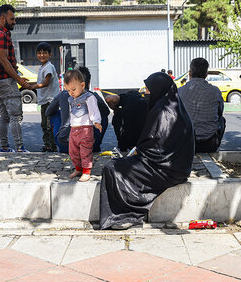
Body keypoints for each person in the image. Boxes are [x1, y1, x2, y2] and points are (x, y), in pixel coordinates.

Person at [100, 72, 194, 230]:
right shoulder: (176, 107)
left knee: (112, 167)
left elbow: (155, 149)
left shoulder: (163, 112)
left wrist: (138, 154)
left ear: (159, 90)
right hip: (179, 168)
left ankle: (123, 215)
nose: (146, 94)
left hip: (166, 169)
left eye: (149, 90)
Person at [0, 4, 30, 152]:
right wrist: (18, 78)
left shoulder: (0, 34)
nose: (14, 22)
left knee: (5, 116)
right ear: (2, 18)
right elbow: (4, 60)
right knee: (15, 115)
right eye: (12, 19)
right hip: (6, 80)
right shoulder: (1, 35)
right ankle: (20, 148)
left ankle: (5, 147)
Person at [178, 58, 225, 153]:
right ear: (206, 74)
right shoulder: (215, 91)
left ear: (190, 73)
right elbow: (220, 111)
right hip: (209, 143)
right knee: (222, 120)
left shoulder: (180, 91)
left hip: (186, 143)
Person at [64, 70, 102, 182]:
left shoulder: (89, 97)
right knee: (73, 151)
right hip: (74, 130)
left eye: (73, 89)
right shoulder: (71, 99)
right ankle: (78, 169)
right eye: (68, 90)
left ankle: (86, 171)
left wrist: (96, 121)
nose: (71, 93)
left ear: (82, 85)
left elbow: (94, 111)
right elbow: (72, 113)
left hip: (85, 129)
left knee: (85, 151)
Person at [29, 42, 59, 152]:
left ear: (50, 55)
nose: (42, 55)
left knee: (49, 125)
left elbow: (45, 83)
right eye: (39, 53)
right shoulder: (43, 67)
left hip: (50, 101)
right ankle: (47, 145)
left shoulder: (48, 67)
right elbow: (41, 81)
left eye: (44, 53)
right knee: (44, 124)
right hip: (45, 101)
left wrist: (32, 87)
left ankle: (53, 146)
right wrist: (31, 83)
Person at [78, 67, 110, 152]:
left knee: (57, 114)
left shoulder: (64, 95)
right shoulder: (93, 96)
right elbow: (106, 111)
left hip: (68, 144)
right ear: (88, 83)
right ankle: (95, 143)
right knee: (102, 115)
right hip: (90, 144)